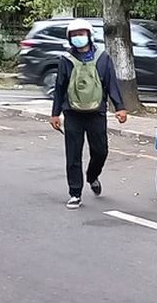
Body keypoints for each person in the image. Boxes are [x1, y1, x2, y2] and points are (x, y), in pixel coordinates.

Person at [49, 19, 128, 209]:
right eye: (74, 35)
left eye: (81, 34)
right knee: (73, 155)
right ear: (69, 38)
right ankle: (75, 193)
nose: (78, 38)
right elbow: (60, 87)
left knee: (101, 151)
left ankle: (92, 176)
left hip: (96, 113)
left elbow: (111, 83)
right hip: (72, 113)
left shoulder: (102, 58)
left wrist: (120, 107)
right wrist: (55, 113)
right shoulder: (65, 60)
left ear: (89, 35)